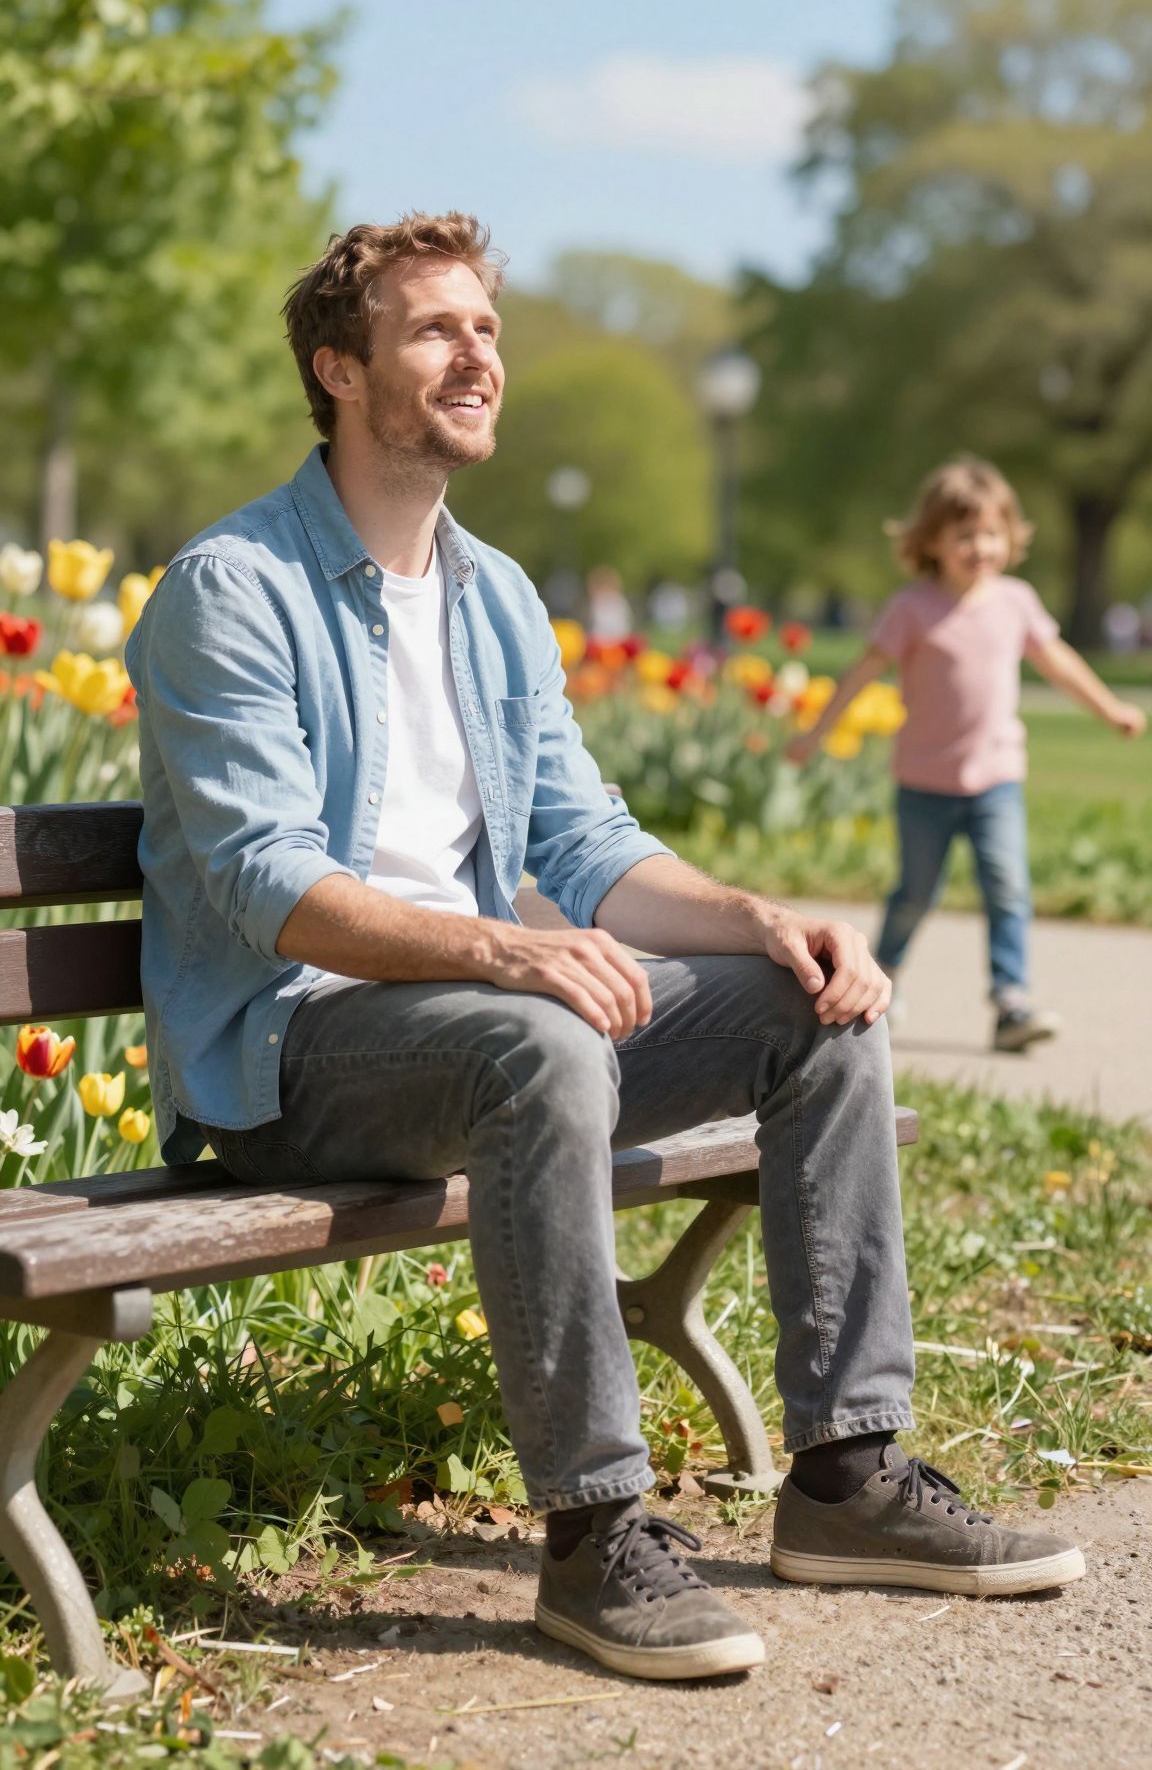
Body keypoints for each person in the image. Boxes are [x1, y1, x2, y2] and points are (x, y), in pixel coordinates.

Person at [126, 221, 1087, 1687]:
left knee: (812, 1009)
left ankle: (847, 1479)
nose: (479, 355)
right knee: (540, 1036)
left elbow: (588, 844)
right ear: (339, 368)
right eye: (436, 331)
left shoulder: (496, 597)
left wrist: (758, 917)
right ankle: (593, 1535)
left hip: (485, 1029)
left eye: (488, 330)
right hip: (296, 1056)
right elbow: (272, 888)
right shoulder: (231, 588)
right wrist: (502, 956)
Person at [787, 458, 1146, 1050]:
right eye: (964, 535)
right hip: (924, 785)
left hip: (995, 780)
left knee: (1008, 885)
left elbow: (1059, 663)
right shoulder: (913, 607)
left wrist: (1110, 710)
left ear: (1010, 536)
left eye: (991, 533)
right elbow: (861, 674)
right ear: (932, 541)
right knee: (914, 894)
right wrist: (816, 733)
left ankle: (1011, 1001)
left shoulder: (1016, 601)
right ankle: (884, 981)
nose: (980, 546)